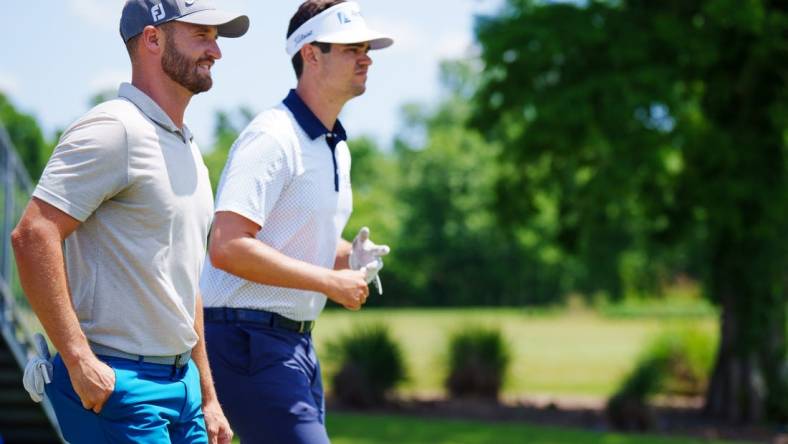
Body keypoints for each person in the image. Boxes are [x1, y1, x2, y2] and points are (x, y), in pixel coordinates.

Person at [10, 1, 249, 442]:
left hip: (184, 389)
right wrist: (79, 360)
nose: (215, 51)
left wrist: (208, 395)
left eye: (216, 39)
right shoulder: (112, 128)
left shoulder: (188, 147)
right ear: (153, 38)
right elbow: (32, 235)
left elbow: (182, 283)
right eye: (201, 35)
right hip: (118, 386)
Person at [199, 1, 393, 442]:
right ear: (310, 54)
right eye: (350, 48)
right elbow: (227, 245)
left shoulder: (334, 144)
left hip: (293, 343)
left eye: (367, 48)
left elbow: (289, 236)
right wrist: (328, 281)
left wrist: (347, 255)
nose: (366, 58)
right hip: (243, 339)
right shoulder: (272, 136)